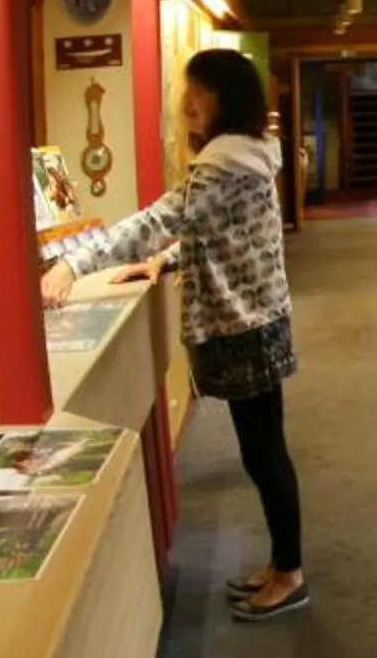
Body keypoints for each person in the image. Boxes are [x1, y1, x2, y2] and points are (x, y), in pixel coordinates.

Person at [41, 48, 306, 621]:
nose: (186, 102)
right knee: (264, 452)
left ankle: (290, 572)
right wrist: (164, 262)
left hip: (245, 327)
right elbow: (224, 234)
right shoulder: (244, 156)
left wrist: (72, 263)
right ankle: (283, 563)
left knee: (264, 456)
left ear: (223, 98)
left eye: (198, 92)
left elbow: (163, 218)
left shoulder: (222, 163)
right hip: (257, 321)